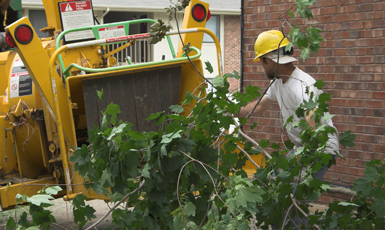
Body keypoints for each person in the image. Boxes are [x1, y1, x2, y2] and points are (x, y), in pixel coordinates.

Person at [239, 30, 339, 180]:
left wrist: (307, 155)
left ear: (269, 60)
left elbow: (312, 117)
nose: (262, 65)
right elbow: (258, 107)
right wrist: (228, 111)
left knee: (293, 193)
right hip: (301, 149)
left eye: (262, 60)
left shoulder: (303, 84)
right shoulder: (278, 82)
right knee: (272, 182)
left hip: (319, 149)